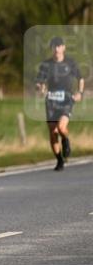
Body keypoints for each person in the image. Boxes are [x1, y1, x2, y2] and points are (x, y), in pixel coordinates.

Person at [35, 36, 84, 171]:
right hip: (51, 101)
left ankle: (66, 141)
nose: (56, 49)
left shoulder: (70, 63)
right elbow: (39, 82)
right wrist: (40, 88)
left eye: (59, 46)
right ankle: (59, 160)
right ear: (51, 49)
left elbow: (80, 78)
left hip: (66, 100)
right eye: (54, 46)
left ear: (63, 48)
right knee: (53, 132)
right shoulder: (46, 65)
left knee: (61, 127)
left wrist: (79, 93)